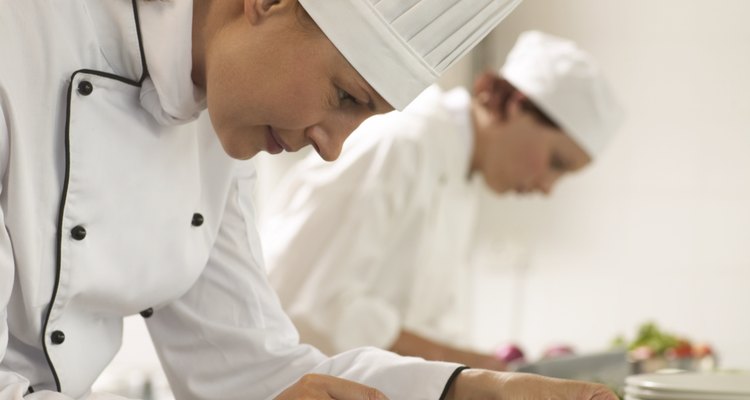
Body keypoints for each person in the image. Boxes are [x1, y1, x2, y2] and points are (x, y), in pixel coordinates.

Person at [0, 0, 618, 398]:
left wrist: (466, 389)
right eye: (346, 97)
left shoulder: (220, 124)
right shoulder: (20, 35)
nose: (331, 149)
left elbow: (252, 371)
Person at [263, 31, 625, 371]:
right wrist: (467, 365)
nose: (548, 187)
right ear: (515, 104)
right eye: (556, 163)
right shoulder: (402, 141)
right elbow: (307, 303)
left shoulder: (461, 168)